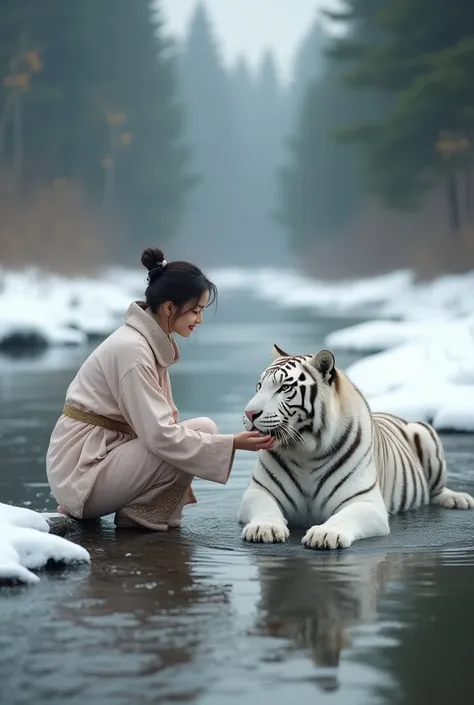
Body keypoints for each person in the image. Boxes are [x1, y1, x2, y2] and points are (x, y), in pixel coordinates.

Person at [46, 247, 274, 531]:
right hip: (82, 473)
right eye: (196, 310)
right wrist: (233, 444)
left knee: (202, 427)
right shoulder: (134, 351)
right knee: (202, 433)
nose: (199, 319)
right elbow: (160, 435)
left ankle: (143, 514)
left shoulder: (144, 343)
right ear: (169, 307)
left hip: (93, 462)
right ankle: (143, 517)